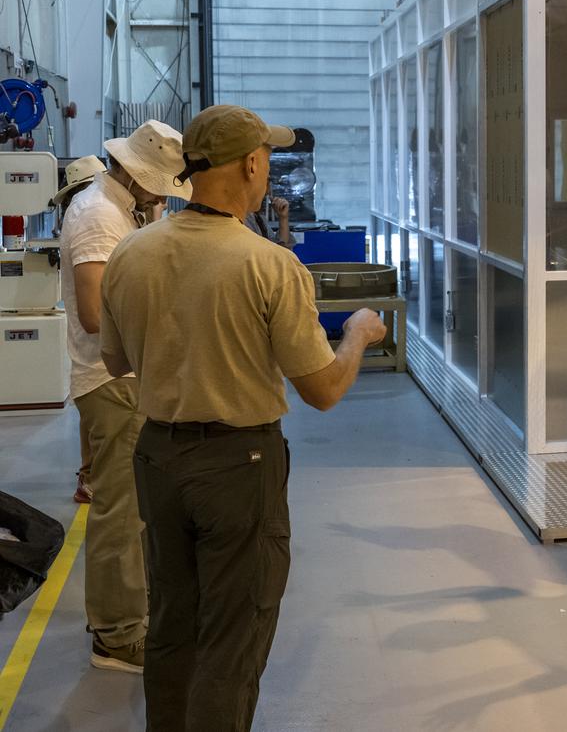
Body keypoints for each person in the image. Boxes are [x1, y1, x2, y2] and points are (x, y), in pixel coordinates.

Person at [97, 104, 386, 731]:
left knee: (172, 622)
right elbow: (323, 391)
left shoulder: (130, 254)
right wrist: (359, 335)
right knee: (233, 636)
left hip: (157, 458)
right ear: (252, 164)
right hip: (237, 466)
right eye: (266, 161)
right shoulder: (268, 265)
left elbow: (116, 360)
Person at [59, 123, 191, 673]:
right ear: (134, 175)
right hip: (111, 383)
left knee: (138, 509)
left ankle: (130, 614)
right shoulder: (97, 218)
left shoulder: (128, 210)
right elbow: (95, 316)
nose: (163, 196)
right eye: (157, 186)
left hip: (131, 379)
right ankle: (114, 638)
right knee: (120, 511)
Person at [50, 154, 108, 506]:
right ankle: (89, 476)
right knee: (97, 418)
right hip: (99, 352)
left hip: (86, 352)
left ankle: (88, 475)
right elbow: (94, 315)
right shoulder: (93, 219)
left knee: (90, 417)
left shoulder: (76, 216)